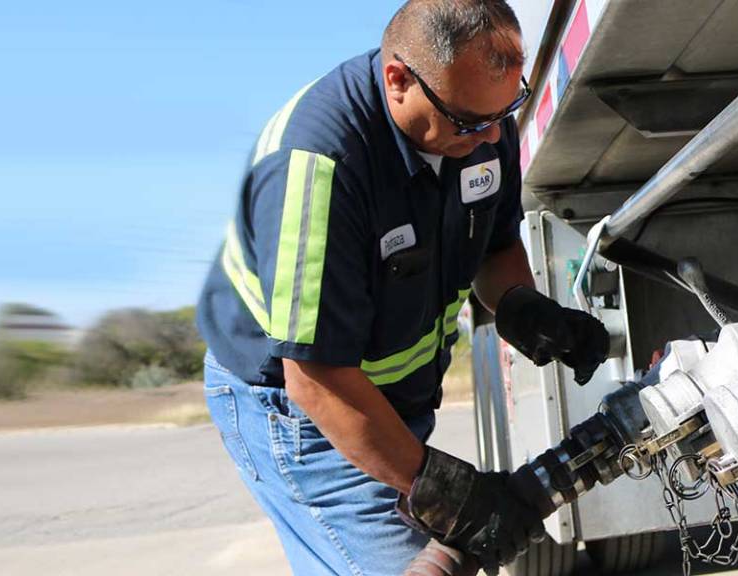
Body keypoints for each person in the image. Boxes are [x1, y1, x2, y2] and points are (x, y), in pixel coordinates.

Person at [193, 0, 612, 573]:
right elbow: (316, 380)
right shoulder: (319, 167)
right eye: (468, 120)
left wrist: (523, 307)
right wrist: (450, 494)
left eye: (505, 110)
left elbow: (494, 245)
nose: (491, 135)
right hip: (301, 411)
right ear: (398, 81)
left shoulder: (482, 124)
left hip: (391, 403)